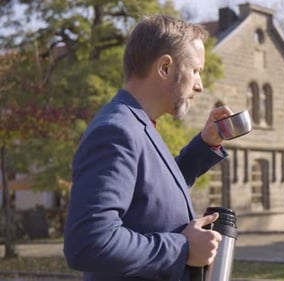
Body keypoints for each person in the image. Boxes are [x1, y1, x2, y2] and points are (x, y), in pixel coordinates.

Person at [64, 14, 233, 281]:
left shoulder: (138, 125)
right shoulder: (116, 131)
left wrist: (204, 144)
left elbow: (153, 194)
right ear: (165, 67)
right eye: (196, 71)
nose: (200, 86)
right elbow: (89, 242)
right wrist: (183, 248)